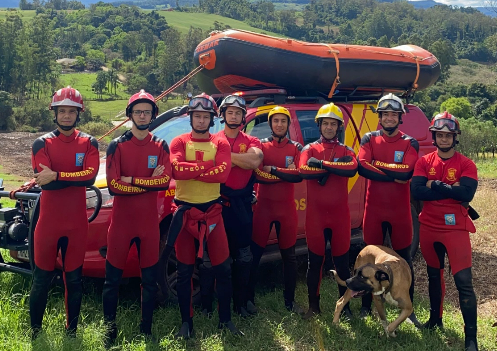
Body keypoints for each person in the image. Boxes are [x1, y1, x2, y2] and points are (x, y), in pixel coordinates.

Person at [165, 93, 241, 338]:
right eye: (196, 116)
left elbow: (222, 175)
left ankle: (225, 320)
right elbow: (175, 169)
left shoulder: (220, 143)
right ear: (191, 117)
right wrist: (207, 167)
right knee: (185, 272)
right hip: (185, 214)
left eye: (205, 117)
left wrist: (192, 171)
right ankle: (186, 323)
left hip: (212, 214)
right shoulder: (178, 142)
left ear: (211, 119)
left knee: (223, 269)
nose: (200, 121)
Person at [30, 86, 99, 339]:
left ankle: (71, 333)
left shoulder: (89, 142)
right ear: (55, 113)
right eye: (62, 111)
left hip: (77, 225)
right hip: (48, 225)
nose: (67, 116)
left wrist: (58, 174)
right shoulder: (42, 143)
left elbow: (89, 177)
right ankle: (35, 333)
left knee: (74, 281)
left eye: (72, 111)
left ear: (78, 113)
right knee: (41, 281)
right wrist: (70, 177)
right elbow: (44, 181)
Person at [103, 90, 171, 345]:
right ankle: (110, 331)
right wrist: (147, 182)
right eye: (137, 111)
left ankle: (147, 328)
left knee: (149, 279)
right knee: (112, 281)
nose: (142, 115)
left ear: (153, 114)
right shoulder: (117, 145)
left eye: (147, 111)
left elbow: (163, 183)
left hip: (148, 225)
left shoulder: (160, 145)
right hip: (121, 223)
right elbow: (114, 186)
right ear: (130, 115)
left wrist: (132, 180)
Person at [411, 112, 478, 351]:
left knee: (463, 281)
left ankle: (471, 338)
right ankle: (435, 320)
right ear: (435, 136)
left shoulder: (466, 164)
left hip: (455, 229)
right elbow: (417, 191)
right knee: (433, 276)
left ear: (455, 137)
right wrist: (451, 188)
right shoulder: (424, 161)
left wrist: (435, 185)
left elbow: (467, 194)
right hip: (429, 226)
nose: (444, 139)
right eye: (440, 135)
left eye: (448, 135)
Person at [357, 93, 420, 325]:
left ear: (400, 117)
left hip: (399, 212)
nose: (390, 118)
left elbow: (407, 173)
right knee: (367, 262)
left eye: (394, 114)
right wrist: (395, 172)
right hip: (374, 210)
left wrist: (379, 166)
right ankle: (366, 307)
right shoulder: (369, 138)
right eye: (386, 114)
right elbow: (362, 167)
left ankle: (409, 309)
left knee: (404, 260)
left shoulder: (410, 142)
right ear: (380, 117)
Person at [299, 103, 358, 319]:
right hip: (315, 217)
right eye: (326, 123)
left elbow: (352, 168)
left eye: (333, 124)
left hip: (339, 217)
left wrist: (322, 165)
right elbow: (304, 170)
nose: (329, 127)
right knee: (314, 263)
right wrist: (335, 166)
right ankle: (314, 307)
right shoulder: (309, 149)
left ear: (339, 127)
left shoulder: (347, 150)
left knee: (342, 264)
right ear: (319, 125)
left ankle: (346, 308)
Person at [248, 106, 304, 313]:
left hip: (286, 210)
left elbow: (299, 175)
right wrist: (284, 173)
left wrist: (272, 170)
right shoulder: (261, 147)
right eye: (275, 121)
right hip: (264, 209)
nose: (279, 124)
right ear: (270, 124)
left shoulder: (296, 147)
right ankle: (248, 299)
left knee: (289, 257)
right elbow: (256, 175)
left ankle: (290, 301)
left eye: (283, 121)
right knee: (254, 255)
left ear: (288, 124)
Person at [214, 94, 263, 317]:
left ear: (244, 117)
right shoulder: (212, 139)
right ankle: (216, 303)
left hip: (242, 208)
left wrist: (224, 156)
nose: (233, 116)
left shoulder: (252, 141)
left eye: (238, 112)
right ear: (222, 115)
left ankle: (242, 303)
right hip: (217, 206)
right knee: (217, 258)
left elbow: (254, 161)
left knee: (244, 257)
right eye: (230, 112)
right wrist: (237, 159)